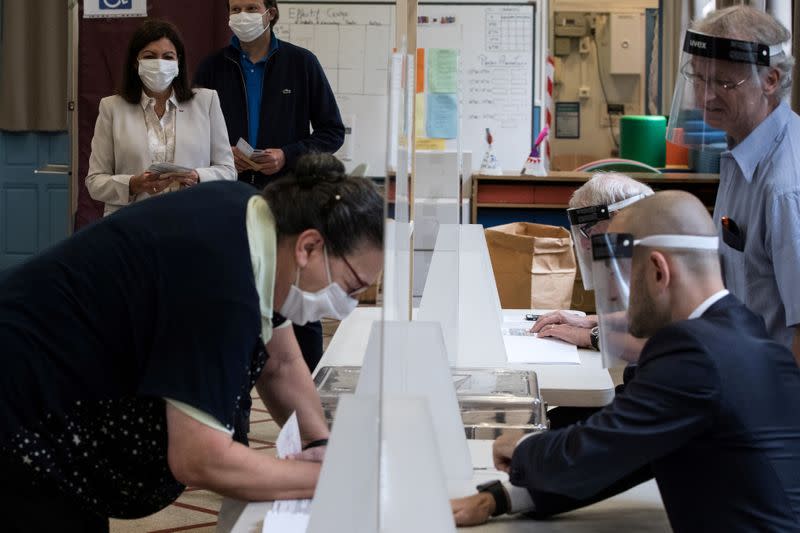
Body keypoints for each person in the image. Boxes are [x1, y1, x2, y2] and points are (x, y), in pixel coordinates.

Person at [0, 153, 383, 532]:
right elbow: (200, 457)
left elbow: (279, 361)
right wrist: (335, 479)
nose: (347, 305)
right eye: (351, 287)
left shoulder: (260, 226)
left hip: (49, 413)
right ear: (309, 247)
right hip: (21, 411)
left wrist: (320, 444)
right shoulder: (221, 276)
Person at [451, 191, 800, 532]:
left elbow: (592, 453)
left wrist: (522, 447)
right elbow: (628, 450)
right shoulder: (743, 333)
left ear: (657, 270)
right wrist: (501, 499)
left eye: (620, 276)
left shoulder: (693, 353)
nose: (615, 295)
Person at [194, 0, 346, 373]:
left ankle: (308, 387)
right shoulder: (212, 68)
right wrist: (221, 151)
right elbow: (193, 131)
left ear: (271, 12)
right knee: (231, 292)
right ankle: (235, 380)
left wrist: (288, 155)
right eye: (234, 7)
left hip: (289, 199)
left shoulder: (301, 63)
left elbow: (332, 132)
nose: (241, 15)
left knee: (297, 297)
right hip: (229, 197)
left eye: (251, 6)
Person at [666, 6, 800, 365]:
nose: (706, 96)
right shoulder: (740, 152)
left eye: (724, 83)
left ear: (770, 80)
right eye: (699, 78)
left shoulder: (785, 187)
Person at [85, 19, 236, 217]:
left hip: (192, 219)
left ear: (178, 62)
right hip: (132, 222)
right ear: (135, 62)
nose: (160, 63)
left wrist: (198, 176)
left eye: (168, 56)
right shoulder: (112, 107)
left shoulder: (207, 101)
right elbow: (95, 181)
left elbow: (228, 171)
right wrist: (132, 184)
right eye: (149, 56)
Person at [531, 173, 653, 351]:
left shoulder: (662, 263)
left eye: (588, 229)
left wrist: (589, 336)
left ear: (620, 220)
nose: (583, 243)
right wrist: (590, 320)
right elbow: (648, 318)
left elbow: (663, 341)